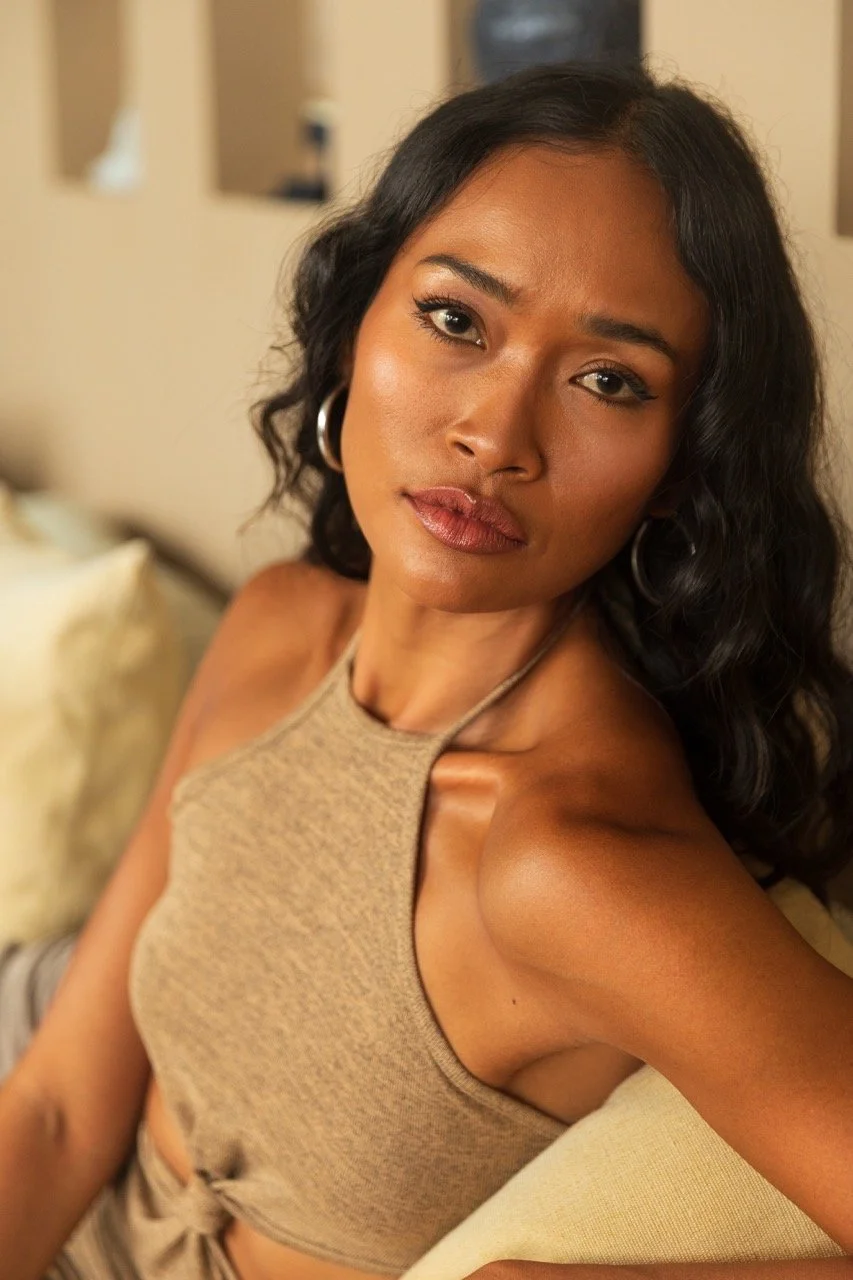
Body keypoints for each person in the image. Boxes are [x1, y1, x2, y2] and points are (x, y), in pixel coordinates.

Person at [0, 58, 852, 1280]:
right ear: (358, 324)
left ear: (678, 465)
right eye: (457, 318)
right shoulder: (279, 627)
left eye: (608, 380)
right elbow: (57, 1110)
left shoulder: (570, 858)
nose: (494, 436)